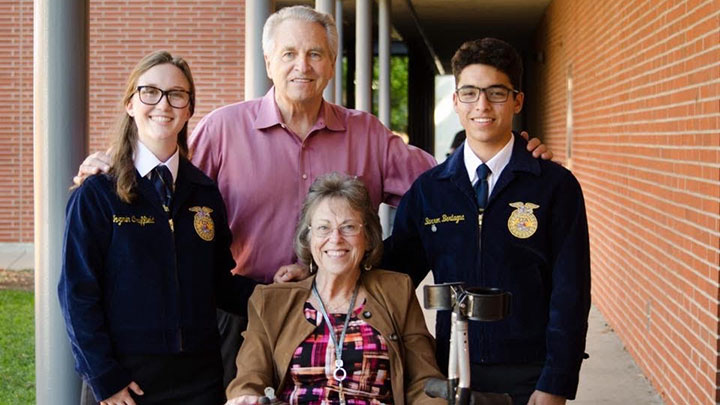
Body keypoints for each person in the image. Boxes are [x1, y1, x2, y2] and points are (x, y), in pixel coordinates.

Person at [72, 5, 552, 386]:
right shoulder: (222, 129)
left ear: (331, 63)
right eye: (289, 54)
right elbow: (162, 174)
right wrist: (107, 162)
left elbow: (451, 186)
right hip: (243, 312)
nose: (302, 65)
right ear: (268, 61)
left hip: (343, 315)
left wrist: (513, 153)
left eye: (316, 54)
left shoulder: (365, 133)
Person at [383, 38, 591, 405]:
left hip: (530, 373)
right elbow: (393, 276)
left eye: (496, 92)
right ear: (455, 101)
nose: (482, 105)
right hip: (450, 368)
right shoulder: (430, 191)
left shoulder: (555, 187)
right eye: (469, 93)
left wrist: (556, 381)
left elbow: (571, 293)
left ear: (517, 101)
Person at [58, 51, 255, 405]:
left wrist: (291, 291)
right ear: (131, 103)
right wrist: (105, 377)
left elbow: (221, 285)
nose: (163, 104)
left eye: (177, 94)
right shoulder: (98, 193)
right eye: (150, 92)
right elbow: (78, 293)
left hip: (199, 380)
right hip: (125, 382)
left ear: (189, 109)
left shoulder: (205, 193)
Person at [225, 173, 442, 405]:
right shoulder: (270, 302)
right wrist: (246, 397)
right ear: (308, 238)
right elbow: (249, 378)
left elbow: (424, 381)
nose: (335, 239)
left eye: (348, 227)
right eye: (323, 228)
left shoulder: (396, 291)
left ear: (367, 237)